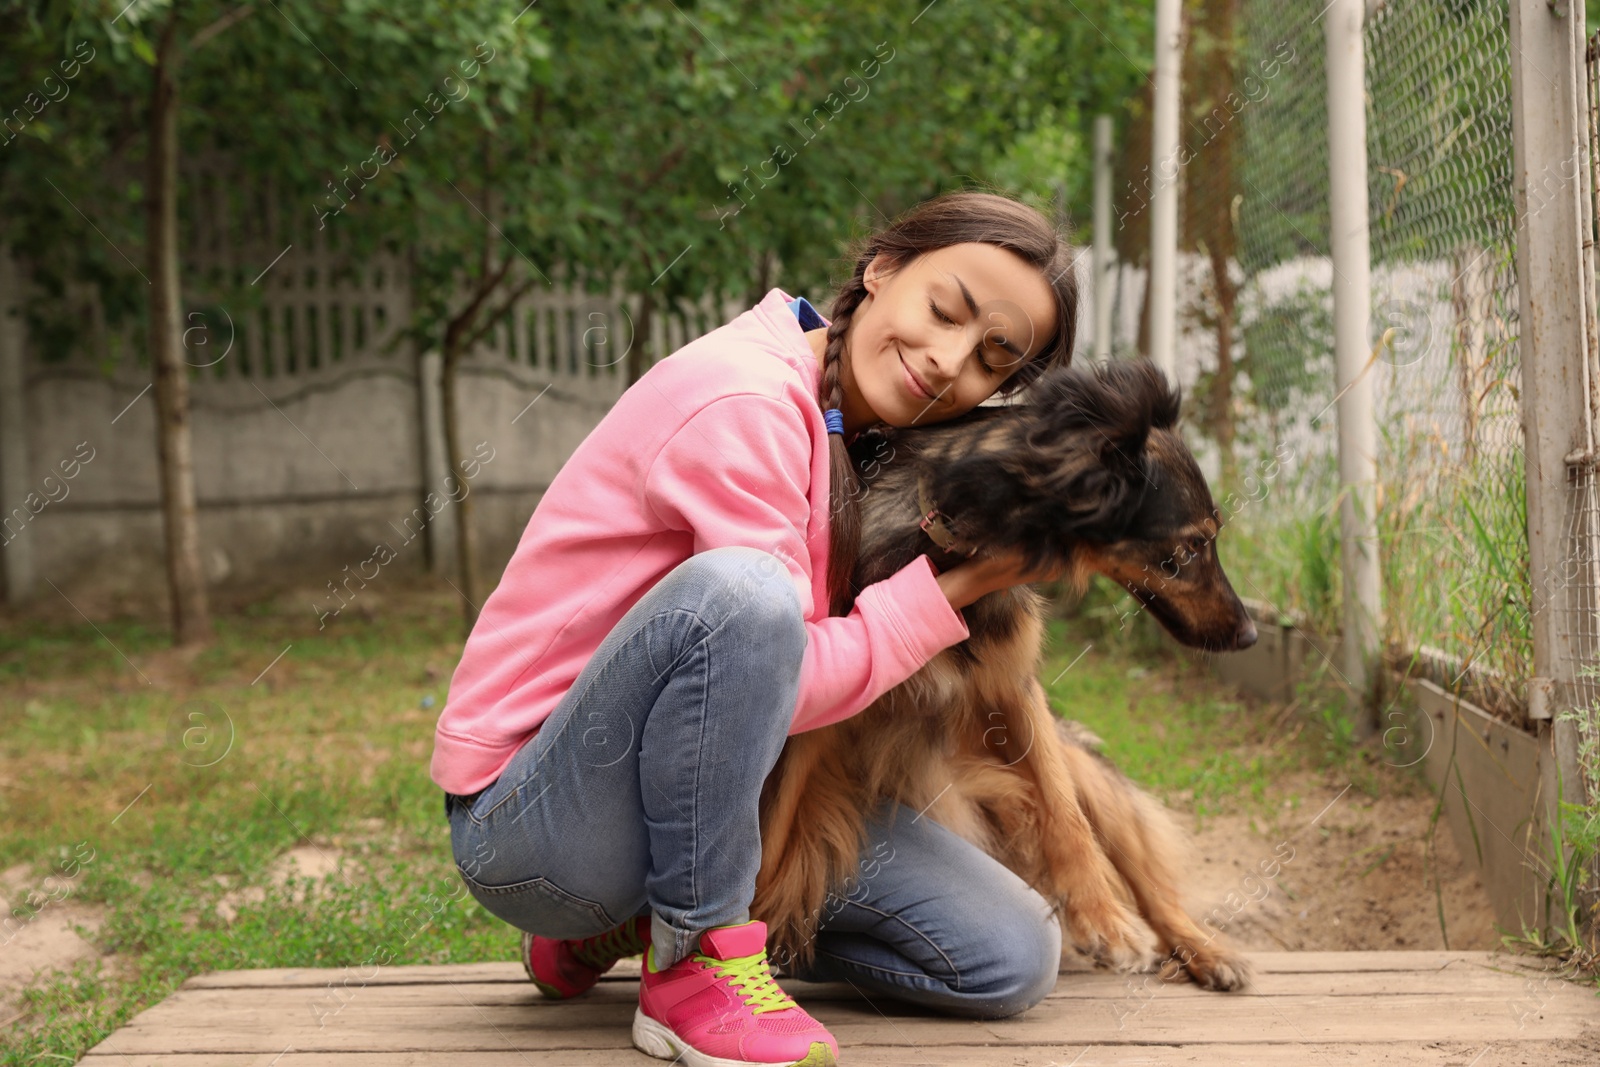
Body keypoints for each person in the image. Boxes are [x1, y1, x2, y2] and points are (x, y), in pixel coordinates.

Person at [431, 189, 1082, 1067]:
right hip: (536, 821)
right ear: (881, 268)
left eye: (993, 357)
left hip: (698, 801)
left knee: (1011, 955)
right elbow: (783, 674)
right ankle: (693, 960)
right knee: (748, 596)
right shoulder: (745, 397)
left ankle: (637, 922)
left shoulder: (862, 423)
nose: (948, 359)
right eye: (944, 309)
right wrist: (959, 586)